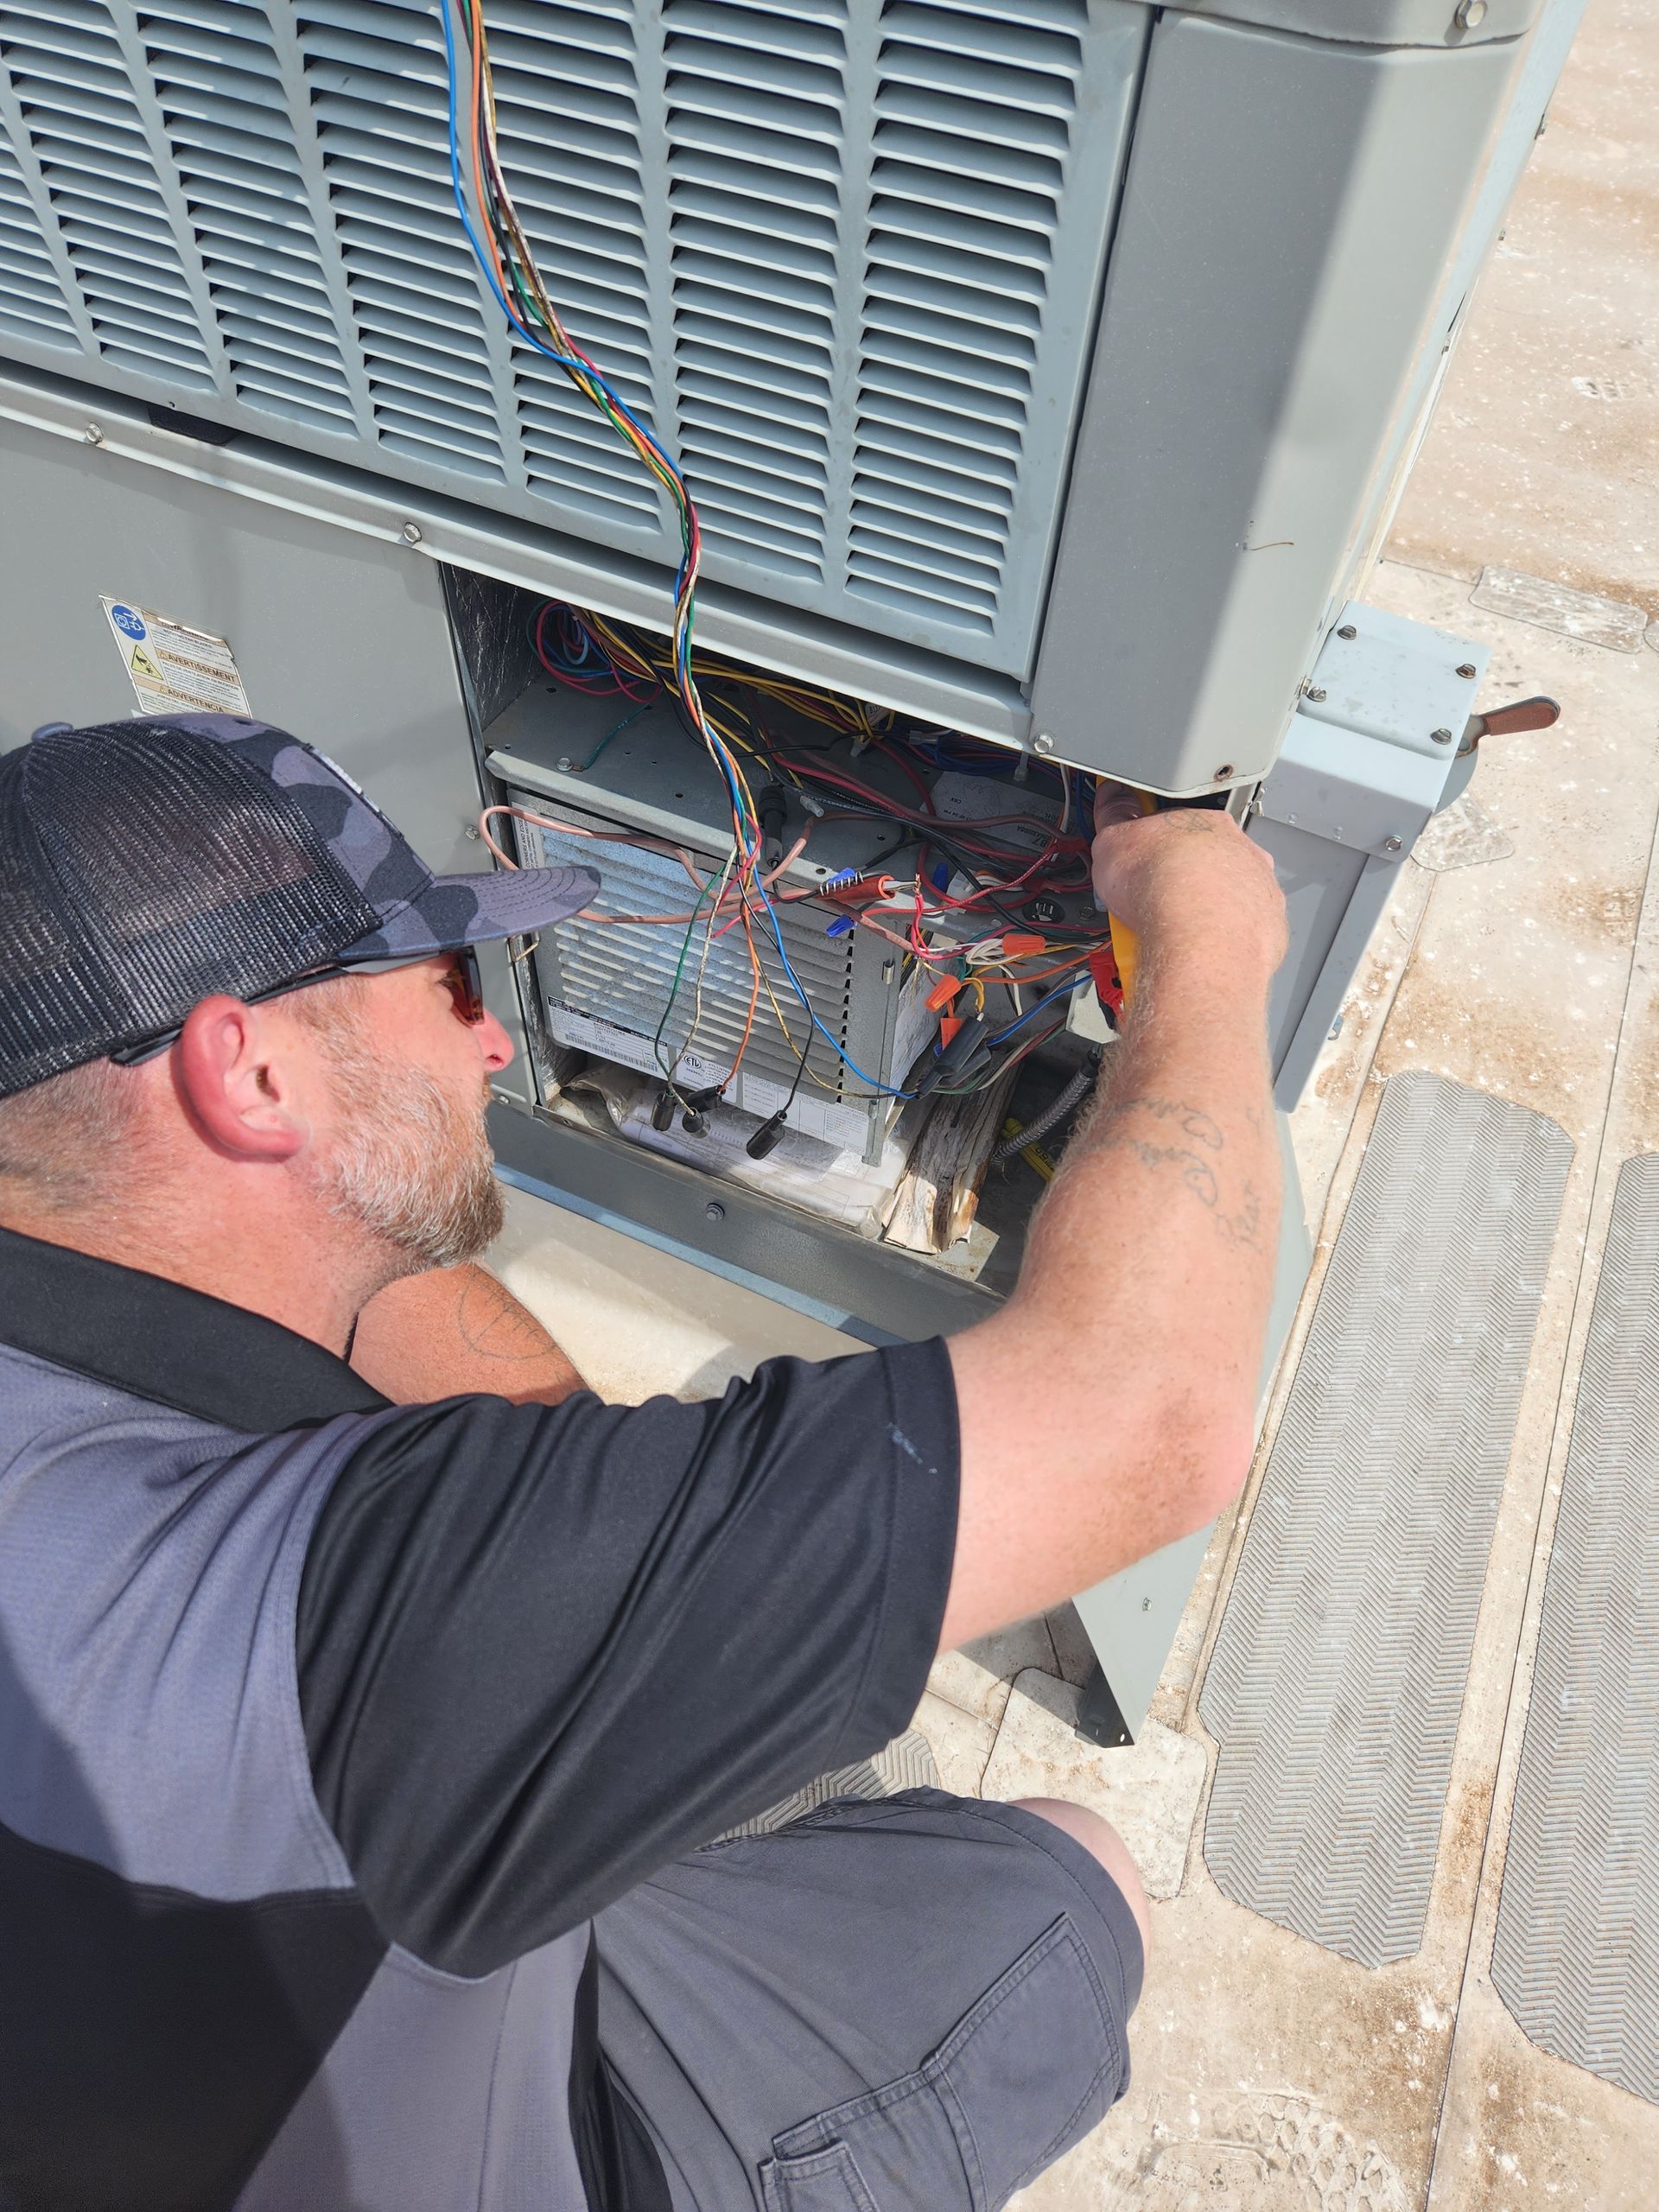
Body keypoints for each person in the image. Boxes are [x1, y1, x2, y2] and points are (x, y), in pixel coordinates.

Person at [0, 713, 1286, 2211]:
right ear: (254, 1077)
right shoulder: (342, 1641)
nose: (491, 1037)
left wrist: (621, 1525)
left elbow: (356, 1260)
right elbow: (1149, 1415)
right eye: (444, 983)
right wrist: (1207, 934)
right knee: (1077, 1868)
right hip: (557, 2140)